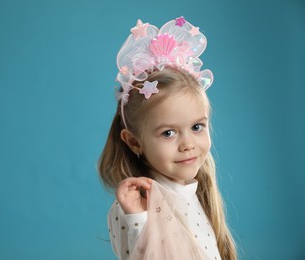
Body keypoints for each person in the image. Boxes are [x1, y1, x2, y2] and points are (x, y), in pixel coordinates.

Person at [98, 17, 237, 259]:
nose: (187, 145)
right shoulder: (134, 206)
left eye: (196, 127)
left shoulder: (194, 193)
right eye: (168, 133)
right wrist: (138, 219)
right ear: (134, 142)